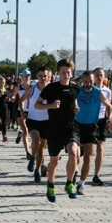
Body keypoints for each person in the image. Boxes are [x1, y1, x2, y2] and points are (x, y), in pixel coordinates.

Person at [34, 58, 80, 203]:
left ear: (71, 73)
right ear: (58, 73)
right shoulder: (51, 88)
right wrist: (51, 106)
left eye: (68, 72)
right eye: (63, 72)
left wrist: (76, 108)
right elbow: (37, 105)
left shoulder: (75, 88)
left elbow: (74, 102)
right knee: (54, 161)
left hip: (71, 127)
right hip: (54, 129)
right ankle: (51, 184)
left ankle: (69, 183)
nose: (66, 75)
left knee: (73, 153)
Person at [75, 71, 112, 195]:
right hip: (76, 125)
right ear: (82, 81)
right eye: (86, 82)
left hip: (92, 126)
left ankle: (81, 183)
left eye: (91, 81)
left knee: (88, 156)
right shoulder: (77, 91)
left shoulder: (98, 92)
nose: (88, 84)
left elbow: (110, 107)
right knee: (74, 155)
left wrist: (110, 118)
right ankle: (72, 173)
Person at [19, 67, 50, 182]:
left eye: (45, 76)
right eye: (41, 76)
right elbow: (20, 100)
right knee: (36, 141)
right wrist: (22, 112)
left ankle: (37, 170)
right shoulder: (32, 89)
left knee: (41, 149)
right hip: (32, 119)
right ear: (36, 76)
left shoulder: (51, 89)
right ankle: (32, 158)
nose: (43, 78)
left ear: (48, 76)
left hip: (46, 121)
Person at [91, 67, 112, 185]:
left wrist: (109, 118)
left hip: (102, 120)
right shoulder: (89, 90)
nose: (99, 77)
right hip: (89, 120)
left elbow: (109, 107)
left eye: (101, 75)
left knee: (100, 147)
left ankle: (96, 174)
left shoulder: (107, 91)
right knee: (89, 149)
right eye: (97, 75)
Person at [16, 69, 32, 157]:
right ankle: (27, 152)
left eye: (27, 76)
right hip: (21, 110)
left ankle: (20, 134)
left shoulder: (33, 86)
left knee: (29, 130)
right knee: (26, 131)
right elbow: (19, 99)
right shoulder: (19, 87)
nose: (25, 78)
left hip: (31, 111)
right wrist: (22, 111)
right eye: (23, 76)